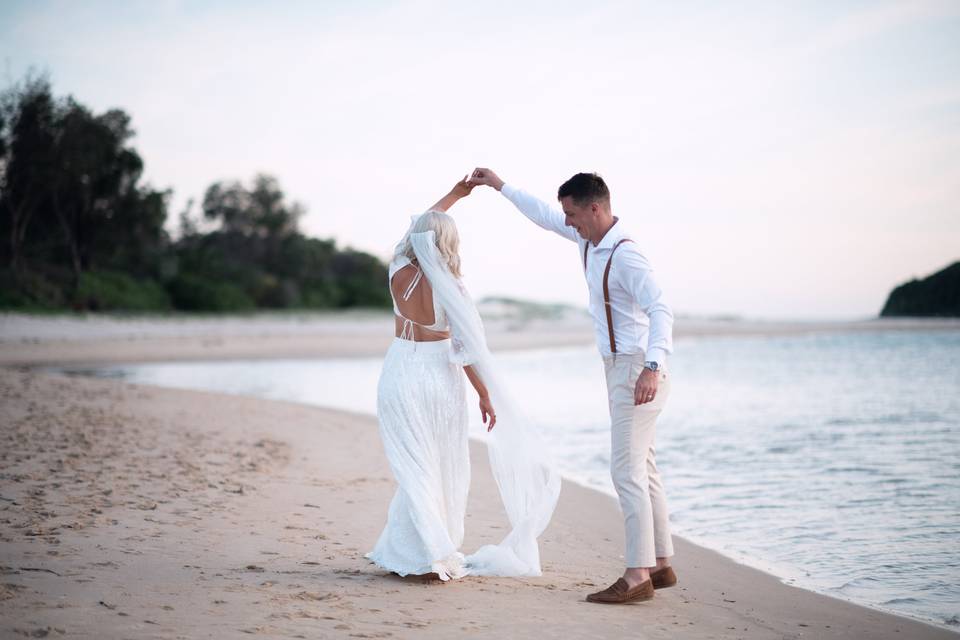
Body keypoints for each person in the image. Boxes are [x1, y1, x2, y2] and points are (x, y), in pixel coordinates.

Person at [469, 168, 676, 604]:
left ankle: (637, 575)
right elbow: (543, 214)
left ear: (595, 208)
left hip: (637, 368)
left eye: (572, 213)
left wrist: (652, 367)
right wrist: (498, 185)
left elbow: (661, 308)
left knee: (627, 471)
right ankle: (659, 563)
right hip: (619, 366)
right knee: (645, 466)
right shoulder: (589, 240)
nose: (567, 221)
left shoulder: (626, 254)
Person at [366, 177, 560, 582]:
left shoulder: (397, 269)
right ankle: (432, 551)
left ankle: (413, 552)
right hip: (438, 377)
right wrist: (485, 396)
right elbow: (466, 351)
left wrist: (455, 194)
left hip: (400, 369)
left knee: (414, 466)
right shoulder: (452, 288)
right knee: (441, 465)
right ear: (450, 244)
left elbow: (416, 227)